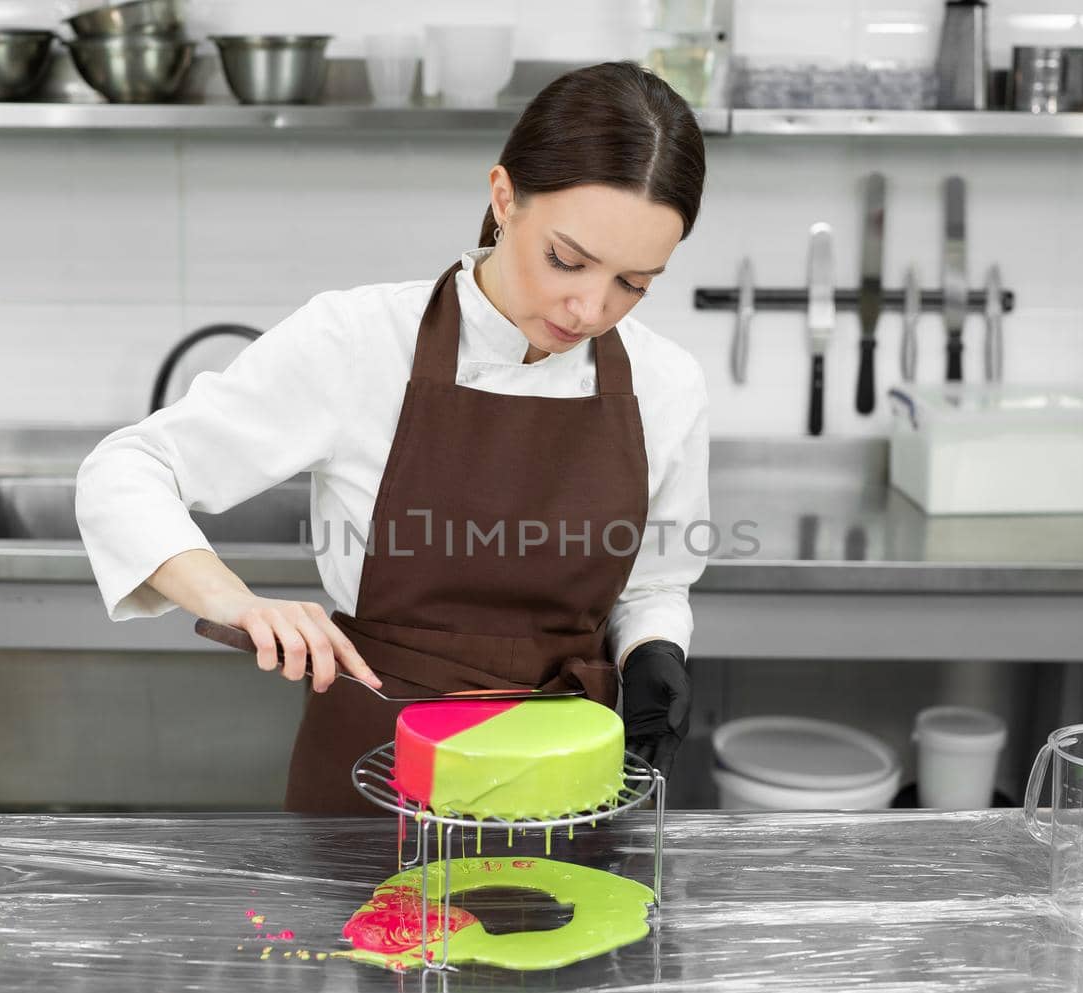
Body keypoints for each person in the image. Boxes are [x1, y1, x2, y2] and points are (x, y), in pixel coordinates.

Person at [76, 61, 709, 813]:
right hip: (377, 773)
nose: (590, 307)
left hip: (562, 779)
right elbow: (127, 468)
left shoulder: (666, 383)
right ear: (504, 198)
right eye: (567, 260)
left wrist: (653, 651)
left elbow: (654, 581)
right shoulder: (359, 340)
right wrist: (239, 601)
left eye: (634, 283)